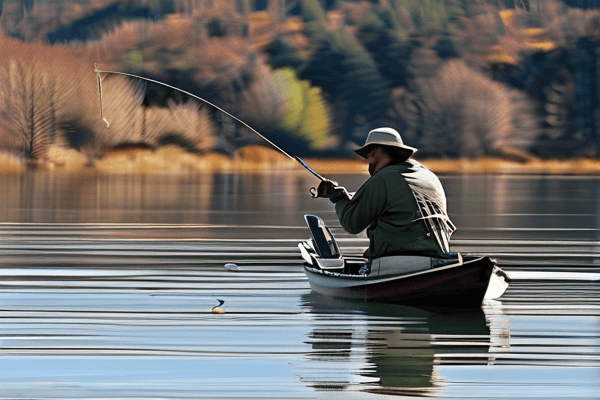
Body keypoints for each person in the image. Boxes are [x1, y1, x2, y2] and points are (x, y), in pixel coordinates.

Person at [316, 127, 455, 260]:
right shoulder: (428, 175)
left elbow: (351, 223)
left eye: (369, 155)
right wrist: (351, 197)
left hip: (398, 262)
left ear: (378, 151)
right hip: (440, 256)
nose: (368, 162)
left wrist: (338, 199)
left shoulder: (383, 178)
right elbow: (400, 200)